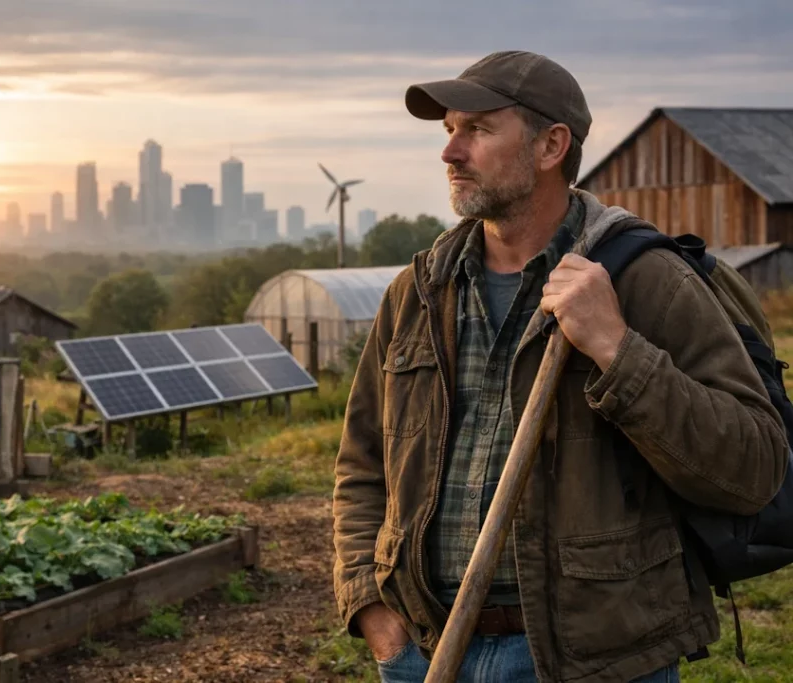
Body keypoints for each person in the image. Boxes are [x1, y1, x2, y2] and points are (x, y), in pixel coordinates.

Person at [331, 50, 789, 683]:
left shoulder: (647, 280)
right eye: (448, 131)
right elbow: (362, 464)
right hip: (424, 653)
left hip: (595, 664)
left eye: (478, 130)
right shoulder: (419, 291)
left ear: (551, 146)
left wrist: (617, 349)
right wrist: (375, 614)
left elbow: (753, 468)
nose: (450, 152)